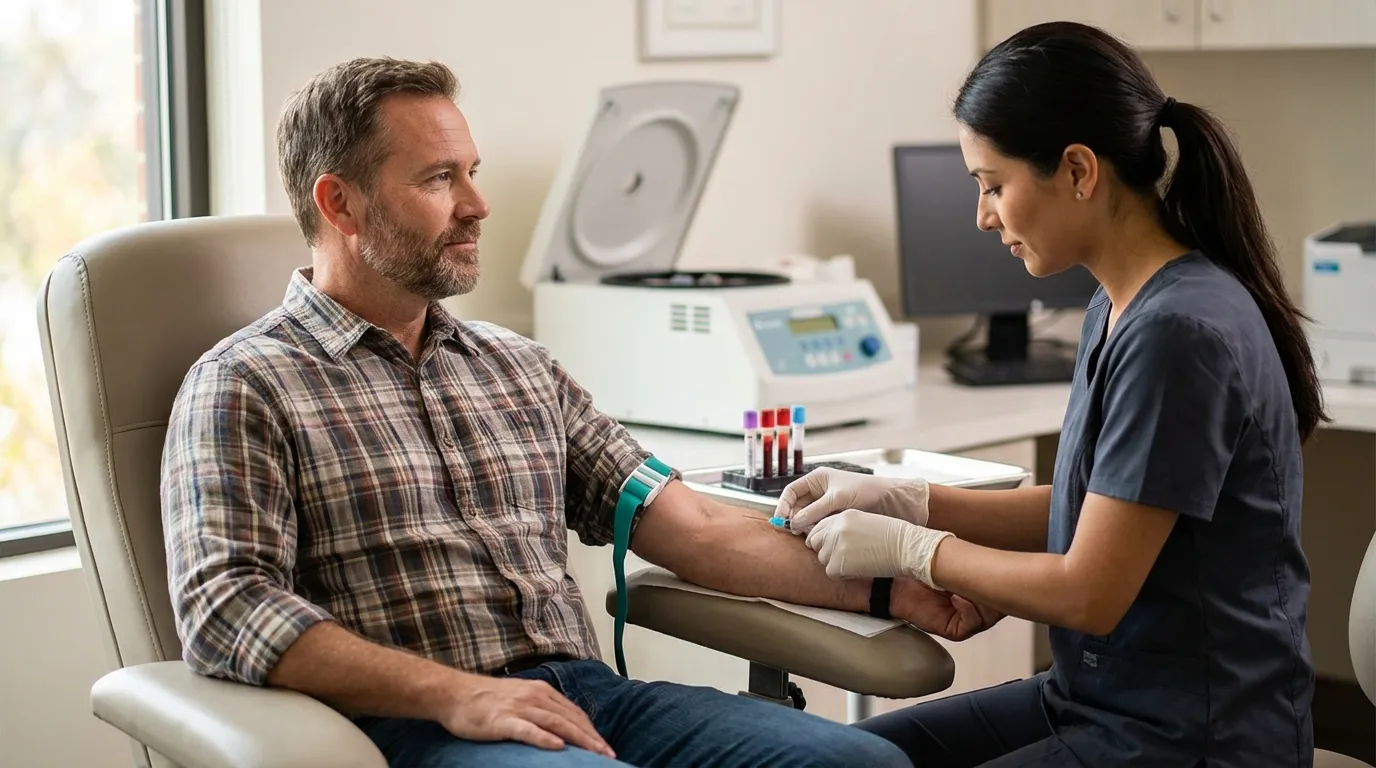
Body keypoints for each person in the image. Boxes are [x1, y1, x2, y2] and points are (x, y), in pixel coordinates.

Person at [158, 56, 923, 768]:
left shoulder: (517, 367)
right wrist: (459, 694)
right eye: (438, 179)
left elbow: (693, 528)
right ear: (340, 203)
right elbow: (226, 610)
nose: (476, 204)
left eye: (473, 173)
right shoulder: (245, 385)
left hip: (589, 699)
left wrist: (893, 585)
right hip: (420, 726)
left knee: (863, 762)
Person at [779, 21, 1322, 768]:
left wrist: (918, 550)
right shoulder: (1118, 304)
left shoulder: (1178, 333)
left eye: (994, 185)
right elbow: (1098, 509)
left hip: (1196, 736)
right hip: (1100, 698)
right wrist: (909, 498)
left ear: (1077, 170)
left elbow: (1088, 592)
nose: (984, 215)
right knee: (840, 761)